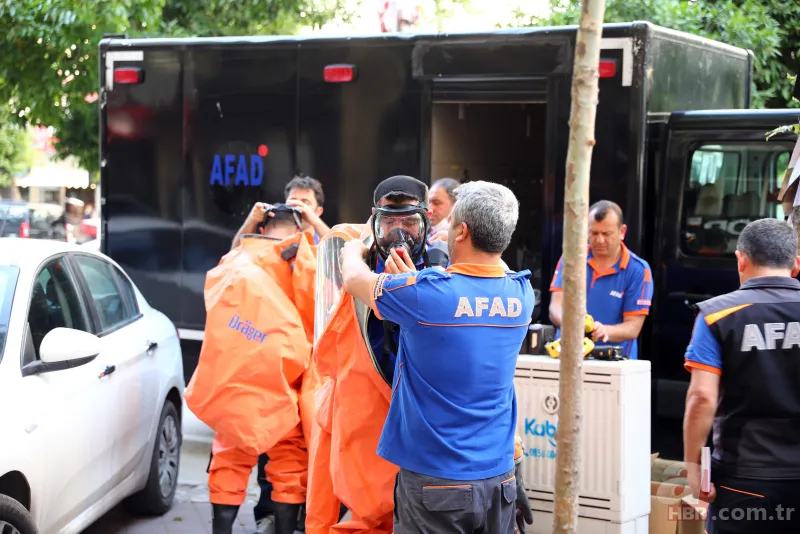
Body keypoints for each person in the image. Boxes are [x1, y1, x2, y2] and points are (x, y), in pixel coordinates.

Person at [339, 180, 534, 533]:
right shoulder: (521, 293)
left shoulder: (424, 294)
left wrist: (353, 249)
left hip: (437, 482)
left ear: (461, 231)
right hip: (498, 475)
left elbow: (354, 279)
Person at [186, 205, 320, 534]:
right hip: (282, 384)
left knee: (229, 460)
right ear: (300, 229)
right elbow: (317, 313)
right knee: (289, 465)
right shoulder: (303, 258)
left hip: (234, 382)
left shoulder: (235, 261)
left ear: (261, 230)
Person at [683, 218, 800, 534]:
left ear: (741, 259)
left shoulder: (717, 315)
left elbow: (702, 397)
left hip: (744, 480)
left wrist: (694, 468)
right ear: (797, 263)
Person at [548, 200, 653, 359]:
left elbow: (633, 328)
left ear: (622, 232)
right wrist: (573, 324)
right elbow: (555, 307)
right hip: (567, 357)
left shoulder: (638, 270)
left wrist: (604, 331)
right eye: (594, 233)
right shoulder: (571, 258)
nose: (599, 240)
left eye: (606, 234)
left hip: (615, 364)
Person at [232, 175, 330, 249]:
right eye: (293, 200)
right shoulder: (273, 235)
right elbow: (234, 257)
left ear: (318, 212)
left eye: (305, 203)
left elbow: (341, 256)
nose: (298, 206)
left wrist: (314, 220)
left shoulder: (323, 242)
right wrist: (251, 220)